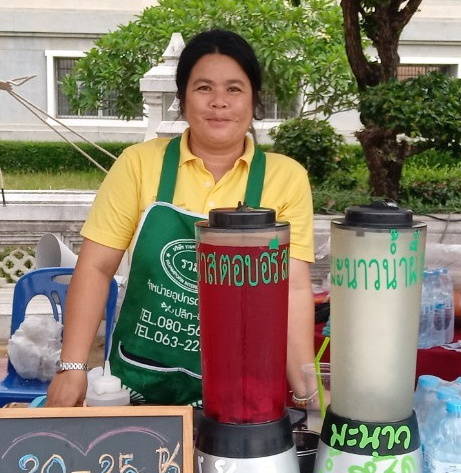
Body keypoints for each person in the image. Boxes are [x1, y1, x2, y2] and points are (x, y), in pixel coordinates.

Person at [45, 29, 316, 407]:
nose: (219, 102)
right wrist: (71, 367)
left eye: (234, 89)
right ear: (182, 99)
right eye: (204, 88)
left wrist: (309, 393)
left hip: (240, 394)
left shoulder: (285, 177)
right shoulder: (140, 164)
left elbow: (293, 288)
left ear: (254, 100)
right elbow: (95, 268)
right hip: (139, 385)